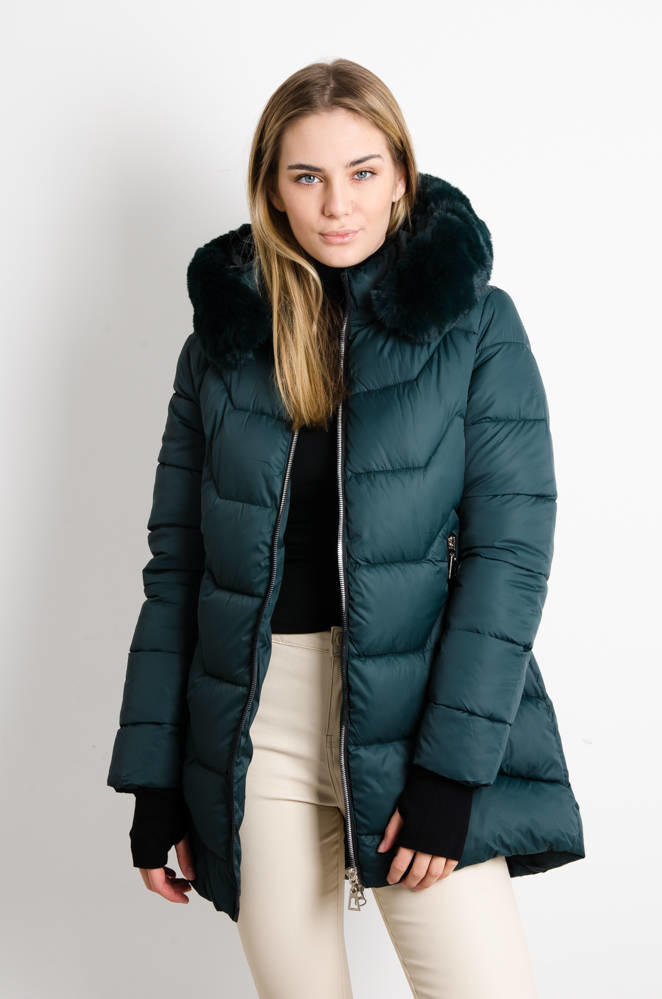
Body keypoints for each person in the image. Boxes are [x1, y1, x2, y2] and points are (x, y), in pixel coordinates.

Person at [107, 58, 585, 998]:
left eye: (363, 171)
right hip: (258, 727)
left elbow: (510, 557)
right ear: (272, 189)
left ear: (401, 174)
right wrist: (156, 781)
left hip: (420, 714)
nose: (337, 205)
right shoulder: (221, 349)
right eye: (307, 176)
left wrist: (450, 777)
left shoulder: (476, 327)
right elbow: (179, 568)